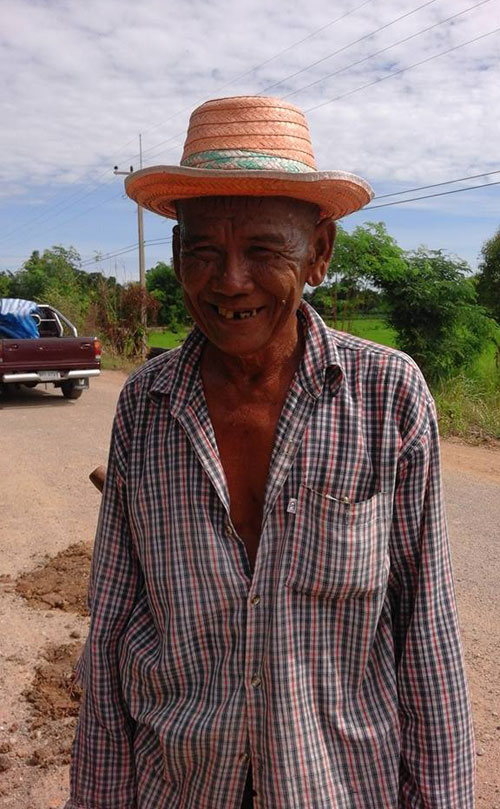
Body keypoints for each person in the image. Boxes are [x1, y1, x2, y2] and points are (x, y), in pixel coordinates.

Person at [65, 96, 475, 809]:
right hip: (179, 786)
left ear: (319, 253)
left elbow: (427, 631)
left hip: (338, 786)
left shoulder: (389, 397)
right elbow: (111, 629)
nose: (230, 280)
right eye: (203, 251)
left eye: (263, 249)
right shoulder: (145, 406)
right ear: (176, 256)